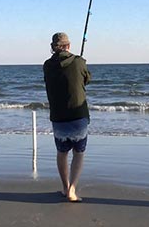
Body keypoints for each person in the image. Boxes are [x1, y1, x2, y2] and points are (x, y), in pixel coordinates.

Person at [43, 32, 91, 202]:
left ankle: (65, 187)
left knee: (62, 152)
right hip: (78, 115)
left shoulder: (47, 65)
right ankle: (72, 189)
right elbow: (87, 79)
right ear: (68, 46)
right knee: (79, 152)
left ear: (53, 47)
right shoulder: (79, 62)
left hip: (58, 116)